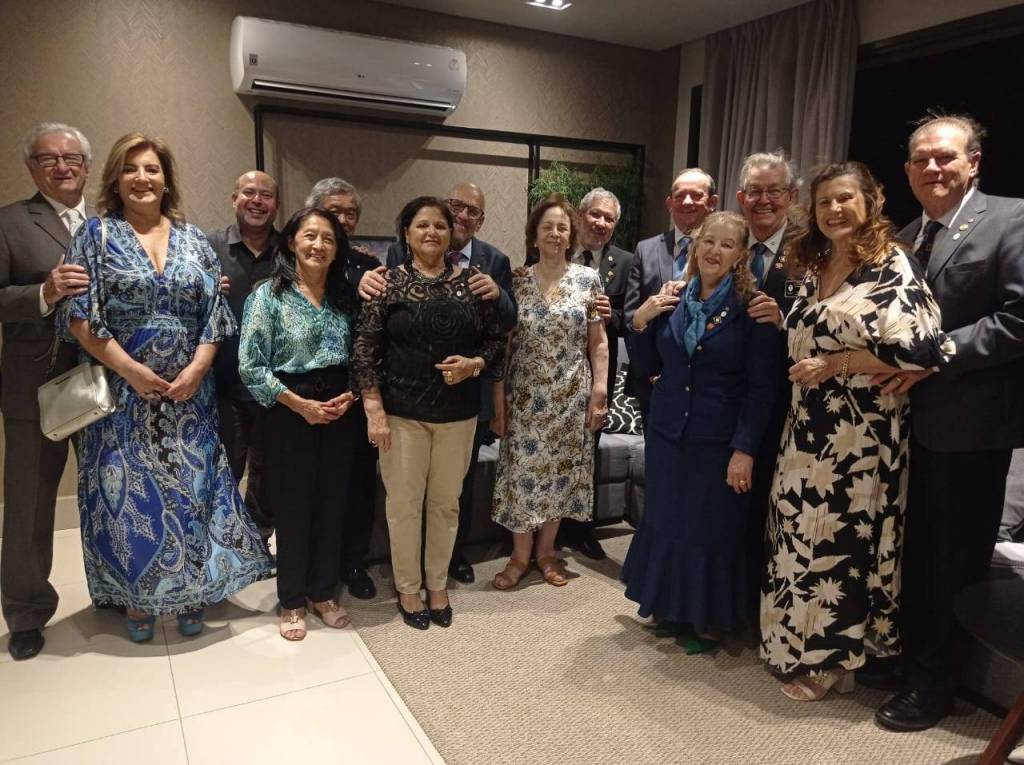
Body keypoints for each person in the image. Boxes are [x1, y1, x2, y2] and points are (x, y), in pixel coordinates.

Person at [57, 132, 272, 642]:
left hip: (189, 396)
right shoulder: (95, 235)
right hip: (121, 395)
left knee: (191, 492)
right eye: (131, 169)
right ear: (115, 179)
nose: (142, 178)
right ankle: (138, 599)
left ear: (166, 180)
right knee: (129, 498)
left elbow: (215, 312)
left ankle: (192, 592)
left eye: (152, 169)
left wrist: (197, 368)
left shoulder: (194, 239)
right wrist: (132, 370)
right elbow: (79, 315)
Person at [759, 161, 952, 701]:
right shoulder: (815, 261)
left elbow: (924, 347)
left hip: (860, 434)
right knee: (798, 533)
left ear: (871, 201)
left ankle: (836, 661)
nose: (834, 209)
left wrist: (837, 364)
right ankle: (795, 644)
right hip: (806, 428)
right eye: (824, 201)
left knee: (841, 542)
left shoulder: (892, 264)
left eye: (845, 198)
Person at [874, 115, 1024, 731]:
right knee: (910, 553)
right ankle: (908, 660)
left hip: (970, 430)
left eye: (945, 157)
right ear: (907, 170)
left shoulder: (1011, 219)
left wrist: (934, 356)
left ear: (974, 163)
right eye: (921, 159)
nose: (932, 168)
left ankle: (936, 686)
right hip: (901, 429)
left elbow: (1019, 317)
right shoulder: (904, 237)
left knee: (952, 560)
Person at [621, 211, 780, 653]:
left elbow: (762, 388)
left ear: (741, 255)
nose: (714, 250)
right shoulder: (672, 298)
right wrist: (640, 322)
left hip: (719, 441)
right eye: (708, 241)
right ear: (695, 246)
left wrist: (744, 448)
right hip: (668, 433)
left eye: (727, 244)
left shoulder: (753, 307)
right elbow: (649, 366)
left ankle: (708, 619)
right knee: (667, 520)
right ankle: (670, 609)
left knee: (711, 528)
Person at [352, 196, 505, 630]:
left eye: (440, 225)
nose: (432, 232)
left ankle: (437, 585)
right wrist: (373, 408)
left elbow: (496, 342)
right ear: (407, 233)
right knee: (404, 506)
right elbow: (364, 347)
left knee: (445, 505)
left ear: (451, 234)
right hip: (402, 415)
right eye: (422, 225)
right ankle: (407, 588)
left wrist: (474, 364)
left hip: (459, 416)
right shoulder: (386, 283)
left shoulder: (474, 283)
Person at [239, 206, 361, 641]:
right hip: (288, 409)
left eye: (328, 238)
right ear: (292, 242)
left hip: (340, 407)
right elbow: (251, 365)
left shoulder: (346, 297)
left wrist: (352, 393)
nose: (318, 245)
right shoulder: (268, 295)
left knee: (333, 502)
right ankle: (291, 598)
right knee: (293, 506)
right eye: (310, 236)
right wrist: (298, 404)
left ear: (337, 249)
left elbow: (363, 353)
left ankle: (322, 592)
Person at [0, 123, 93, 660]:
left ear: (86, 166)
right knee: (30, 505)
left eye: (71, 157)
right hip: (36, 386)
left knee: (108, 495)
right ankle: (27, 613)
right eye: (48, 158)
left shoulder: (110, 224)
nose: (62, 166)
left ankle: (115, 590)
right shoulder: (10, 222)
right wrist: (43, 292)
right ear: (31, 167)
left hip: (105, 382)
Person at [490, 195, 609, 589]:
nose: (555, 234)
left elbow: (598, 342)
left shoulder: (588, 280)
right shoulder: (516, 281)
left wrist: (599, 390)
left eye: (562, 227)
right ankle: (519, 555)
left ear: (571, 235)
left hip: (570, 397)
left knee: (560, 474)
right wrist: (498, 402)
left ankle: (546, 552)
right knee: (521, 474)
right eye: (547, 227)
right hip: (524, 397)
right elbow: (504, 346)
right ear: (534, 236)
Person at [734, 150, 802, 618]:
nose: (764, 200)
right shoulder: (727, 242)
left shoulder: (811, 251)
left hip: (786, 402)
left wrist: (785, 321)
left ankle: (767, 608)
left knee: (773, 506)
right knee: (732, 505)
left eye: (773, 191)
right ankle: (732, 604)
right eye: (755, 191)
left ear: (791, 196)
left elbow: (831, 325)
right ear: (741, 197)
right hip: (727, 399)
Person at [306, 177, 379, 600]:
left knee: (358, 484)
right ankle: (318, 565)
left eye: (351, 213)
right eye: (336, 211)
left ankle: (353, 562)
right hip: (310, 393)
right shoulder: (300, 259)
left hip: (359, 391)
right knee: (315, 484)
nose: (345, 220)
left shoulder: (368, 265)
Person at [556, 188, 632, 562]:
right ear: (580, 215)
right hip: (553, 372)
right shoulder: (555, 249)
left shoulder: (626, 263)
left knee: (587, 452)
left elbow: (633, 319)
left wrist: (610, 315)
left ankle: (580, 529)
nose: (601, 223)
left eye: (609, 218)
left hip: (596, 373)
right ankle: (541, 529)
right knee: (550, 449)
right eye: (595, 215)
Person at [206, 170, 279, 543]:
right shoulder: (209, 245)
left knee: (268, 474)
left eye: (266, 195)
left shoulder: (290, 250)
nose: (257, 201)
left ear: (276, 205)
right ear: (234, 199)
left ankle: (257, 542)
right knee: (223, 469)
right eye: (249, 192)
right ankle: (221, 547)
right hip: (222, 384)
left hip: (273, 386)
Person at [624, 168, 718, 424]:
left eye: (696, 195)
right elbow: (631, 318)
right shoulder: (645, 249)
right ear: (669, 203)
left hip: (707, 384)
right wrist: (650, 369)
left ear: (712, 202)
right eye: (680, 196)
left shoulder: (725, 252)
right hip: (654, 382)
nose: (687, 202)